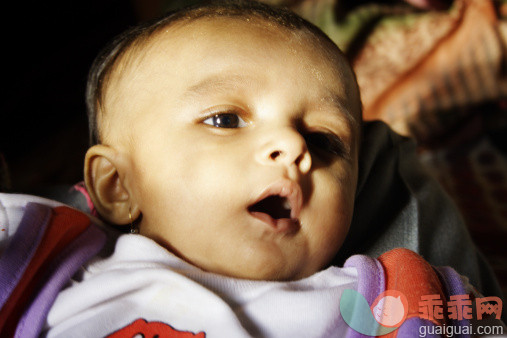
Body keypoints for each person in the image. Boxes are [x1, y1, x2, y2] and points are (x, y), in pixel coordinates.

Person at [0, 1, 504, 337]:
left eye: (324, 140)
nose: (290, 144)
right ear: (115, 185)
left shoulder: (374, 304)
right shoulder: (54, 264)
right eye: (225, 119)